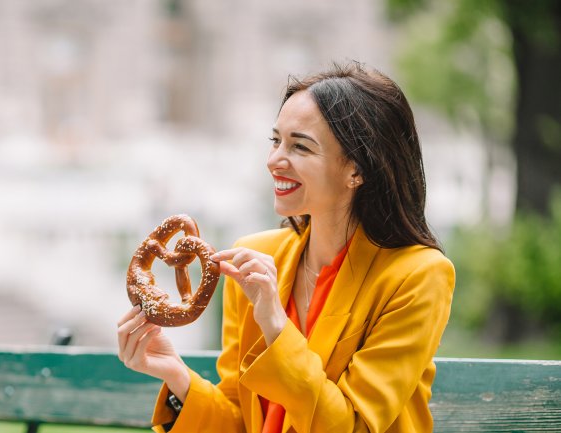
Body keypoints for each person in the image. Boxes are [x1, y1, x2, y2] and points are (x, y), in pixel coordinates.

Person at [117, 62, 455, 433]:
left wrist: (277, 327)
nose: (274, 160)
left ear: (357, 170)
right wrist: (176, 375)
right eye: (276, 140)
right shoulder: (256, 257)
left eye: (300, 147)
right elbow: (240, 420)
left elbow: (353, 424)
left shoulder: (418, 276)